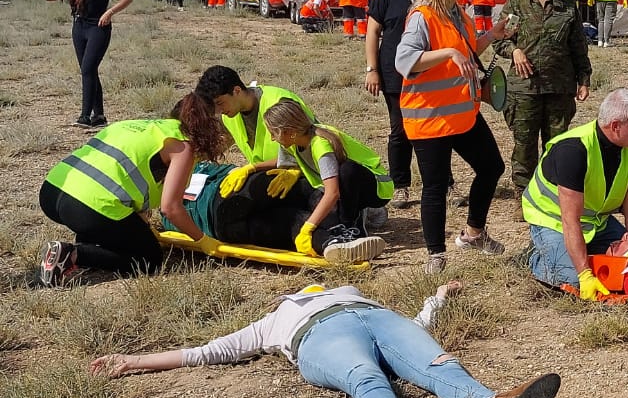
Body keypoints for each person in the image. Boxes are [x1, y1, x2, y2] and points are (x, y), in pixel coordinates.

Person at [88, 282, 563, 398]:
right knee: (363, 376)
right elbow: (204, 352)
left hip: (382, 319)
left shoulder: (353, 291)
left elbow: (418, 322)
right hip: (316, 337)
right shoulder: (271, 321)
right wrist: (134, 361)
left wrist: (437, 299)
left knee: (437, 361)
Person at [395, 0, 510, 274]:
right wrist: (445, 52)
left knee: (491, 168)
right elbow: (404, 62)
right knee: (434, 187)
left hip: (462, 114)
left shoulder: (458, 13)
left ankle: (474, 233)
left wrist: (492, 35)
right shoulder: (422, 16)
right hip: (429, 118)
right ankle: (436, 255)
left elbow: (468, 52)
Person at [36, 96, 226, 285]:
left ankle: (90, 239)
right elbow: (171, 208)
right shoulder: (181, 146)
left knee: (123, 228)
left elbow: (123, 171)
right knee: (149, 259)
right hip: (87, 207)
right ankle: (74, 254)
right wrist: (202, 240)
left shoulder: (134, 125)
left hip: (52, 192)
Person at [523, 89, 628, 294]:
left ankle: (584, 252)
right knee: (572, 280)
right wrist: (584, 273)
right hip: (553, 221)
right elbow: (570, 219)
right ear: (616, 126)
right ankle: (537, 256)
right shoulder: (573, 151)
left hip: (596, 223)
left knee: (627, 271)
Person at [491, 0, 592, 192]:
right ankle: (523, 194)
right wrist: (514, 51)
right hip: (524, 88)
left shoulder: (567, 5)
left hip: (558, 87)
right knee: (524, 144)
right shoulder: (517, 4)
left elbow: (578, 45)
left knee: (556, 144)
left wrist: (584, 78)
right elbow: (499, 39)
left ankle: (551, 194)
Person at [161, 159, 383, 262]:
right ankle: (340, 225)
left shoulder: (166, 206)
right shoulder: (192, 171)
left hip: (225, 224)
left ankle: (332, 242)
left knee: (289, 222)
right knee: (291, 189)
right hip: (224, 205)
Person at [366, 0, 437, 207]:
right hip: (395, 74)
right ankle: (401, 186)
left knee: (435, 130)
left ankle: (443, 183)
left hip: (432, 74)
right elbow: (373, 32)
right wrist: (372, 69)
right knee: (400, 131)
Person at [262, 101, 394, 235]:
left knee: (347, 171)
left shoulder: (320, 145)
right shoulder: (293, 142)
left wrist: (308, 227)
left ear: (290, 132)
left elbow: (333, 193)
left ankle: (349, 226)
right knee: (325, 220)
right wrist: (251, 168)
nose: (272, 138)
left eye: (274, 133)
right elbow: (281, 161)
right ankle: (366, 212)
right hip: (345, 189)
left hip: (378, 188)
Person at [45, 0, 131, 128]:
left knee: (87, 70)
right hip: (79, 27)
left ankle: (85, 116)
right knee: (89, 71)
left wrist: (109, 13)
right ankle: (99, 116)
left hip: (97, 28)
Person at [195, 66, 317, 166]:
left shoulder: (280, 102)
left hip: (304, 176)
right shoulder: (229, 115)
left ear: (237, 90)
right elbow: (219, 145)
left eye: (220, 103)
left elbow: (312, 147)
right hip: (265, 174)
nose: (218, 111)